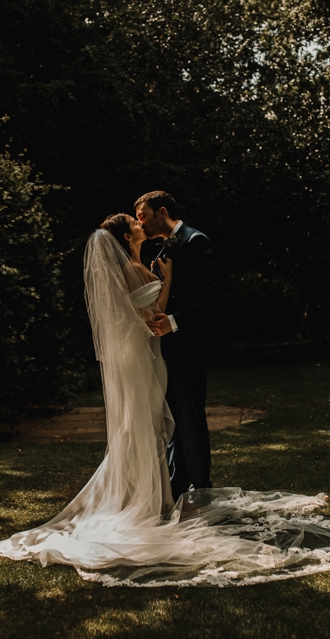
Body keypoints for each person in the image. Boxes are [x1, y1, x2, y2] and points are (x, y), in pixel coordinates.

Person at [0, 211, 330, 587]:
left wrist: (162, 282)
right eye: (134, 221)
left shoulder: (143, 260)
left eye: (141, 216)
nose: (139, 223)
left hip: (145, 353)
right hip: (148, 354)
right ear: (125, 236)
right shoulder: (134, 267)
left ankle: (156, 495)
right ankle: (151, 501)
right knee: (151, 422)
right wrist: (166, 278)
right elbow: (155, 311)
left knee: (147, 423)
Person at [134, 191, 217, 500]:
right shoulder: (163, 248)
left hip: (190, 345)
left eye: (143, 214)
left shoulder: (197, 242)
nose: (140, 221)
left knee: (190, 416)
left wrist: (174, 321)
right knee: (175, 418)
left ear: (162, 211)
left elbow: (210, 298)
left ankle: (200, 488)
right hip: (167, 349)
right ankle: (177, 483)